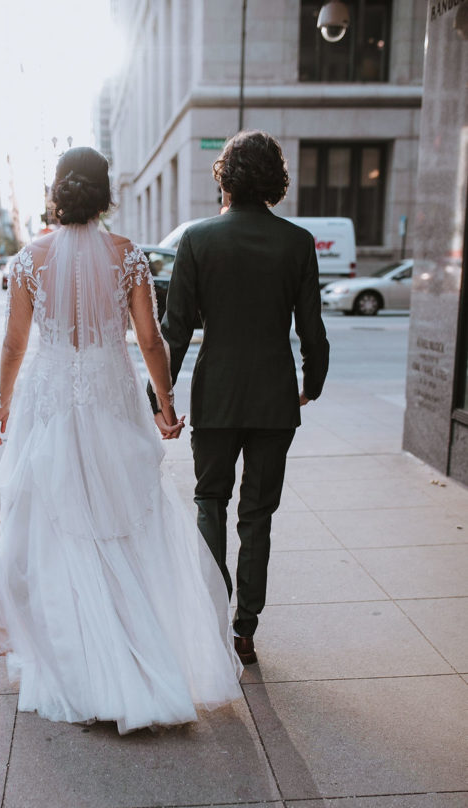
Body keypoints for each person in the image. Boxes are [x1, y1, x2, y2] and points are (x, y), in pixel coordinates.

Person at [0, 147, 241, 735]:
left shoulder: (29, 260)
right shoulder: (127, 258)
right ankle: (134, 658)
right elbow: (152, 341)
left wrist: (4, 401)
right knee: (120, 521)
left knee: (54, 526)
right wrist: (165, 405)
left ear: (58, 192)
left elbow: (13, 343)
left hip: (50, 400)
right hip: (109, 393)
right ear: (105, 192)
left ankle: (76, 663)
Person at [151, 130, 330, 666]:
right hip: (275, 398)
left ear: (225, 178)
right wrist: (311, 382)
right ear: (274, 180)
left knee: (210, 502)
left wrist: (161, 400)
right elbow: (312, 329)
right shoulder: (297, 243)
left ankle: (212, 609)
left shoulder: (198, 241)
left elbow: (174, 331)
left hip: (217, 397)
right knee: (258, 514)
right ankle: (246, 627)